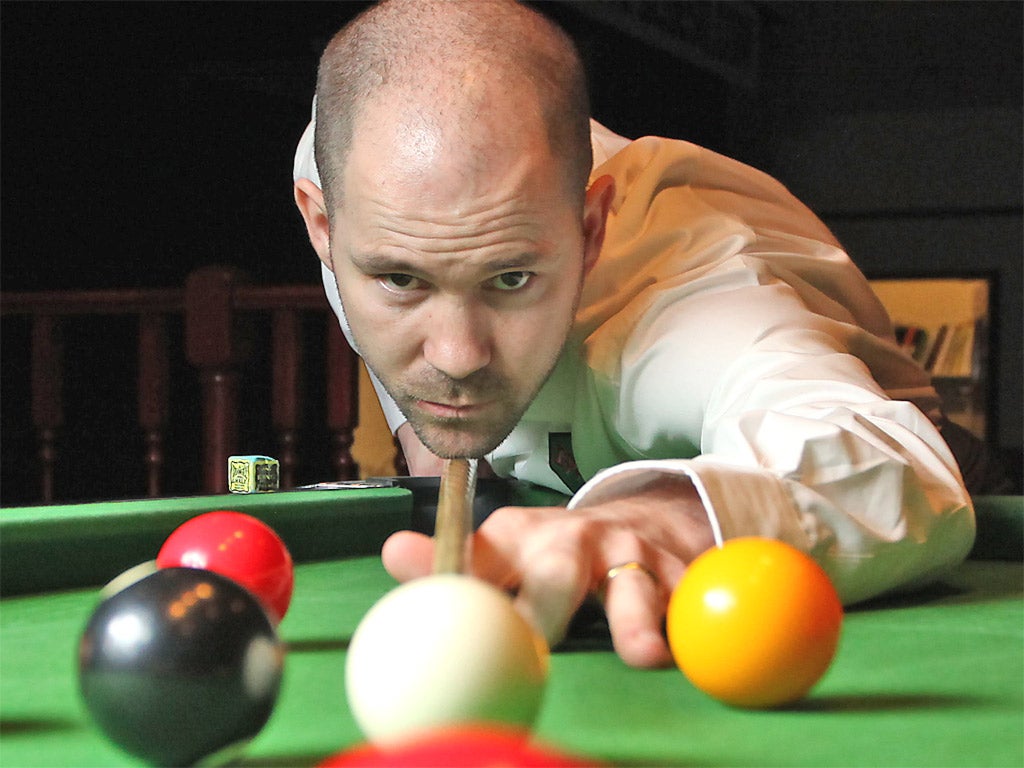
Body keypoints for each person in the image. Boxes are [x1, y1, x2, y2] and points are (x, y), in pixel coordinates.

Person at [293, 0, 975, 668]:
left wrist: (663, 519)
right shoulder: (362, 180)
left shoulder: (687, 310)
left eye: (510, 280)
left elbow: (895, 465)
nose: (457, 355)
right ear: (324, 229)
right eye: (402, 282)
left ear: (590, 233)